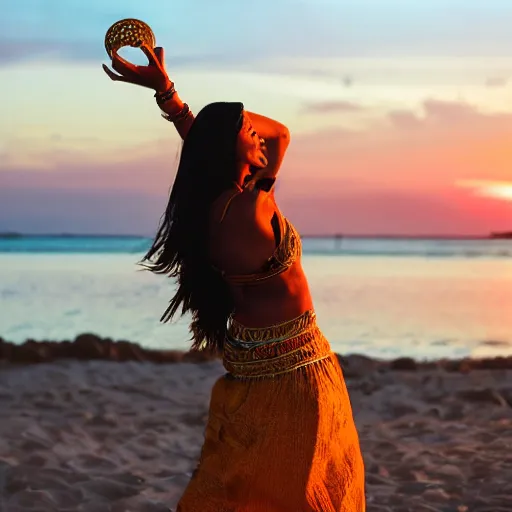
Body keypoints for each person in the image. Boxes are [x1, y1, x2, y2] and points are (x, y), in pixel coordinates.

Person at [103, 44, 366, 512]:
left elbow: (239, 148)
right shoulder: (250, 207)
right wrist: (192, 112)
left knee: (255, 485)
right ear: (231, 151)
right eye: (249, 132)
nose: (259, 135)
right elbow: (282, 136)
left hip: (259, 367)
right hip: (295, 370)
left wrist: (171, 95)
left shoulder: (218, 207)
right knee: (300, 489)